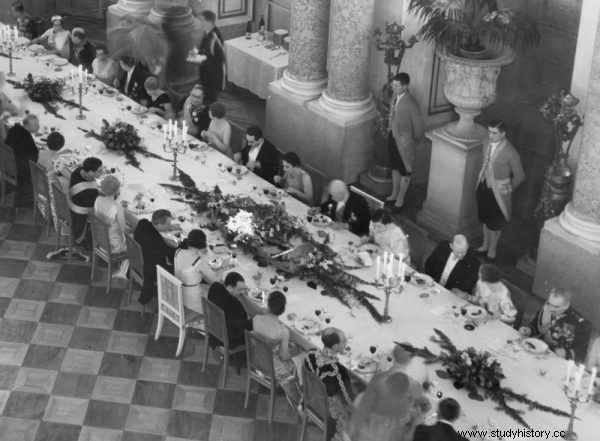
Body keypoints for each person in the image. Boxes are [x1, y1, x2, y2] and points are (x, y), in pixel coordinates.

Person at [350, 345, 431, 441]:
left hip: (370, 427)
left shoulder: (378, 377)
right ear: (411, 361)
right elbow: (425, 408)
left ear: (393, 356)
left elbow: (365, 405)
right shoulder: (415, 385)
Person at [476, 120, 525, 262]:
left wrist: (509, 188)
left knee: (495, 223)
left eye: (494, 133)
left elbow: (520, 176)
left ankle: (492, 250)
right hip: (483, 186)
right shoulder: (485, 142)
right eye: (489, 131)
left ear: (503, 134)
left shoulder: (510, 152)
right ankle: (485, 246)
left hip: (498, 193)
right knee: (485, 219)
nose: (490, 135)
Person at [305, 327, 355, 441]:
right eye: (344, 341)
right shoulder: (337, 370)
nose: (346, 342)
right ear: (335, 347)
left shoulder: (310, 353)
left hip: (312, 397)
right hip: (328, 409)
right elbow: (349, 399)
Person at [386, 73, 424, 212]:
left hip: (405, 144)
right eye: (393, 85)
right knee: (395, 167)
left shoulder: (411, 103)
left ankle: (400, 200)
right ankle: (394, 194)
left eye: (396, 85)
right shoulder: (396, 97)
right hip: (393, 137)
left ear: (405, 86)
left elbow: (419, 127)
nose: (393, 87)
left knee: (405, 171)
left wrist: (410, 140)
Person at [519, 289, 591, 362]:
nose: (551, 309)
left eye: (556, 307)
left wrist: (566, 353)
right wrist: (528, 330)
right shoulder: (546, 307)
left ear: (566, 305)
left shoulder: (580, 323)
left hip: (559, 361)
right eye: (550, 304)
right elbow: (536, 326)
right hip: (539, 352)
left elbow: (581, 353)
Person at [253, 291, 300, 397]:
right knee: (302, 357)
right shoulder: (283, 331)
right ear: (283, 310)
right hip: (273, 369)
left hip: (257, 361)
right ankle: (297, 394)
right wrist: (296, 351)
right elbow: (284, 357)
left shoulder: (256, 319)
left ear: (268, 305)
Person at [133, 209, 178, 305]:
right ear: (159, 225)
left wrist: (169, 227)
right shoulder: (154, 243)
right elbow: (167, 253)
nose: (169, 225)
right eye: (168, 223)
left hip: (138, 261)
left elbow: (156, 228)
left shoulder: (143, 223)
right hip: (152, 269)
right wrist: (181, 249)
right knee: (182, 270)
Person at [174, 229, 219, 314]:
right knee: (218, 293)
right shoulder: (199, 261)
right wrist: (222, 268)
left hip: (180, 293)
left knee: (207, 286)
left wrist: (200, 251)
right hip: (193, 300)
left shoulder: (178, 251)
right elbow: (216, 281)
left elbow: (190, 270)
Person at [94, 174, 129, 279]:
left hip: (100, 240)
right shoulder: (117, 207)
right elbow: (125, 230)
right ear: (118, 191)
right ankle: (124, 270)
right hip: (114, 246)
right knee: (137, 239)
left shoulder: (98, 199)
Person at [207, 272, 252, 350]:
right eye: (240, 289)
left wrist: (241, 291)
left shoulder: (215, 287)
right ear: (230, 288)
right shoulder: (232, 304)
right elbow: (240, 324)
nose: (242, 292)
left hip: (213, 333)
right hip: (227, 340)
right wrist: (254, 321)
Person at [4, 114, 40, 205]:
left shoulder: (14, 129)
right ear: (27, 125)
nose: (38, 127)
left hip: (8, 164)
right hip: (20, 170)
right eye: (35, 125)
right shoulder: (27, 138)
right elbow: (35, 157)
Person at [69, 157, 102, 245]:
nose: (102, 172)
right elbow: (98, 203)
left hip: (73, 206)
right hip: (82, 216)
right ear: (91, 172)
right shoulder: (89, 191)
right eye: (99, 171)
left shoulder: (79, 170)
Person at [196, 10, 225, 103]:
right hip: (206, 72)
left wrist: (202, 58)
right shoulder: (206, 32)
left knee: (211, 99)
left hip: (212, 74)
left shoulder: (215, 35)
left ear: (209, 22)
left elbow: (220, 58)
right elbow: (204, 49)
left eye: (202, 20)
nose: (200, 22)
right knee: (206, 96)